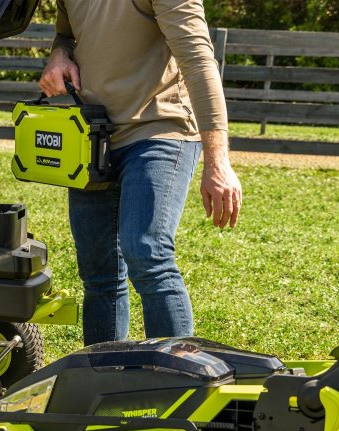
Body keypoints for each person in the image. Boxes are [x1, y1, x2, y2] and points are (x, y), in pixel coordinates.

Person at [38, 0, 243, 344]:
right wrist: (59, 55)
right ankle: (105, 372)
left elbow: (198, 60)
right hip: (94, 134)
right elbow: (65, 34)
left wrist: (218, 162)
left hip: (160, 128)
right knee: (99, 272)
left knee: (147, 252)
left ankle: (176, 373)